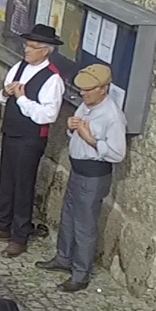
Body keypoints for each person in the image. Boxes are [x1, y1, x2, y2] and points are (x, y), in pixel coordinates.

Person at [37, 64, 128, 292]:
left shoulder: (113, 117)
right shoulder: (86, 106)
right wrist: (71, 128)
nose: (83, 94)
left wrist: (91, 140)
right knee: (68, 215)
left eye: (88, 90)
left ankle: (81, 274)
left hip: (93, 175)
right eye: (82, 90)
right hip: (77, 169)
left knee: (85, 224)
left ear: (103, 89)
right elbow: (75, 132)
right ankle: (63, 258)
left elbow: (118, 153)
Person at [0, 24, 66, 258]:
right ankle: (2, 224)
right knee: (7, 179)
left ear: (46, 51)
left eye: (33, 47)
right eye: (26, 45)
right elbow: (2, 98)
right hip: (11, 131)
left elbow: (47, 115)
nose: (27, 50)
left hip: (30, 138)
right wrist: (6, 93)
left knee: (23, 185)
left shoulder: (53, 79)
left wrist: (21, 99)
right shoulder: (18, 68)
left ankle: (20, 235)